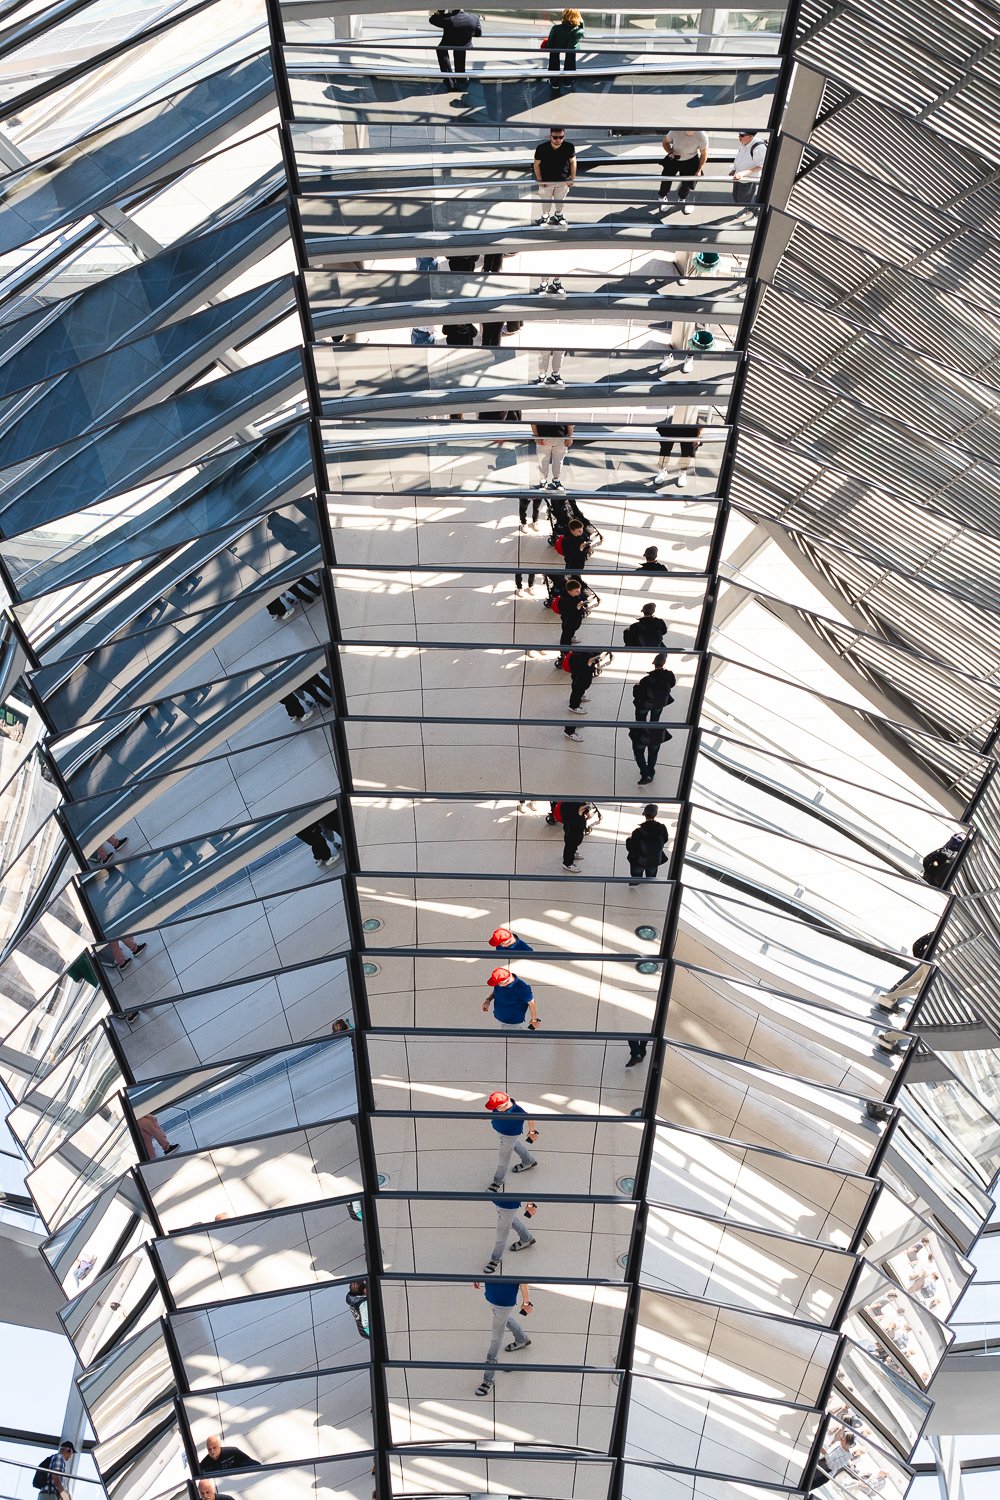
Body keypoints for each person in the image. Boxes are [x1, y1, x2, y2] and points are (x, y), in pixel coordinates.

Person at [473, 1278, 532, 1395]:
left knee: (496, 1340)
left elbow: (523, 1281)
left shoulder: (513, 1266)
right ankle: (522, 1339)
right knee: (504, 1317)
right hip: (493, 1297)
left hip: (504, 1302)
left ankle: (488, 1380)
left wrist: (526, 1302)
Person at [485, 1090, 539, 1190]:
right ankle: (529, 1161)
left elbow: (530, 1117)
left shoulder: (518, 1111)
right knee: (515, 1145)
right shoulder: (501, 1107)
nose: (493, 1109)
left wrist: (532, 1131)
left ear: (503, 1105)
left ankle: (498, 1181)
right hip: (501, 1131)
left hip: (509, 1135)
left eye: (495, 1108)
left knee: (503, 1158)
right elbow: (495, 1112)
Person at [658, 128, 709, 215]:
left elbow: (704, 154)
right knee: (666, 179)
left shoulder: (702, 135)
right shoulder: (675, 131)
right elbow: (665, 142)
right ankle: (663, 197)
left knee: (688, 183)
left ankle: (683, 199)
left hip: (691, 160)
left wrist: (699, 169)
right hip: (674, 157)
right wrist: (670, 152)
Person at [533, 127, 576, 226]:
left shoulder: (569, 146)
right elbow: (536, 164)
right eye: (555, 137)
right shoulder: (541, 148)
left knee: (560, 200)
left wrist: (572, 178)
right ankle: (545, 216)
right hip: (546, 181)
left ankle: (558, 214)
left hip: (563, 180)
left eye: (561, 137)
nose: (558, 140)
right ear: (550, 136)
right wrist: (540, 180)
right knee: (545, 200)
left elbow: (573, 162)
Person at [429, 8, 482, 88]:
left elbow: (432, 20)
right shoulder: (474, 18)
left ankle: (449, 81)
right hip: (464, 44)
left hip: (448, 43)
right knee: (460, 51)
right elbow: (478, 33)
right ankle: (461, 80)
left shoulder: (448, 18)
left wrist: (440, 11)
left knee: (441, 50)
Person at [484, 1198, 537, 1272]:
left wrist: (530, 1204)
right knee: (508, 1218)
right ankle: (526, 1237)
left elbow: (523, 1188)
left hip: (507, 1204)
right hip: (500, 1200)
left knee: (501, 1233)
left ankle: (496, 1259)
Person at [626, 804, 670, 884]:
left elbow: (631, 848)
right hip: (654, 859)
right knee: (651, 876)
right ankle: (648, 887)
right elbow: (665, 840)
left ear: (644, 815)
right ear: (655, 815)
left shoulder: (638, 832)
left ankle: (635, 888)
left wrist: (628, 839)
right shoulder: (662, 828)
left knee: (636, 877)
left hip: (639, 860)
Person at [730, 129, 766, 222]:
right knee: (738, 199)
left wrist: (743, 173)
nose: (739, 138)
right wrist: (734, 169)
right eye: (739, 135)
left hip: (749, 179)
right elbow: (739, 156)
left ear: (751, 136)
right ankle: (748, 208)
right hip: (739, 176)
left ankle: (756, 215)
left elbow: (761, 166)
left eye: (742, 136)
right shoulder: (744, 142)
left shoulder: (759, 148)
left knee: (747, 199)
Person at [654, 419, 703, 487]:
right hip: (671, 422)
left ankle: (682, 472)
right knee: (665, 448)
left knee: (687, 450)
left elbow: (698, 415)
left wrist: (699, 436)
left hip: (689, 423)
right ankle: (662, 470)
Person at [633, 654, 676, 722]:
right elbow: (672, 684)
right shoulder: (669, 675)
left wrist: (636, 686)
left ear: (654, 663)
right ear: (664, 663)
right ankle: (652, 730)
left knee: (640, 720)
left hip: (646, 704)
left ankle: (642, 730)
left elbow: (637, 694)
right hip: (660, 703)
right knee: (655, 719)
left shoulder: (646, 679)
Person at [532, 419, 573, 487]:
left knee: (558, 461)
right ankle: (543, 480)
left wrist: (570, 436)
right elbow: (533, 420)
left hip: (560, 437)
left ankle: (555, 480)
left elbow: (570, 420)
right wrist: (536, 436)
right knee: (543, 460)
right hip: (543, 437)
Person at [545, 8, 584, 73]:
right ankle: (569, 80)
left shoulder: (556, 28)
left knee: (554, 55)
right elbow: (582, 32)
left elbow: (550, 43)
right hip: (571, 49)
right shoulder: (578, 30)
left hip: (556, 48)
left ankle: (554, 79)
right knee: (570, 58)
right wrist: (581, 22)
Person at [561, 798, 590, 871]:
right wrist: (578, 812)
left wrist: (586, 811)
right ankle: (567, 863)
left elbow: (582, 801)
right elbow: (566, 811)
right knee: (571, 842)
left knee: (578, 838)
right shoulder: (567, 802)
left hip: (579, 819)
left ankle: (573, 853)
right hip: (571, 821)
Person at [557, 576, 587, 648]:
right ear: (569, 591)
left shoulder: (577, 594)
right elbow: (566, 612)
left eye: (579, 590)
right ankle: (565, 650)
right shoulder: (564, 600)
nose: (579, 592)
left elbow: (583, 597)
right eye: (576, 591)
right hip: (569, 621)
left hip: (576, 619)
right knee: (566, 635)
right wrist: (576, 607)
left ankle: (571, 637)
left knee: (572, 630)